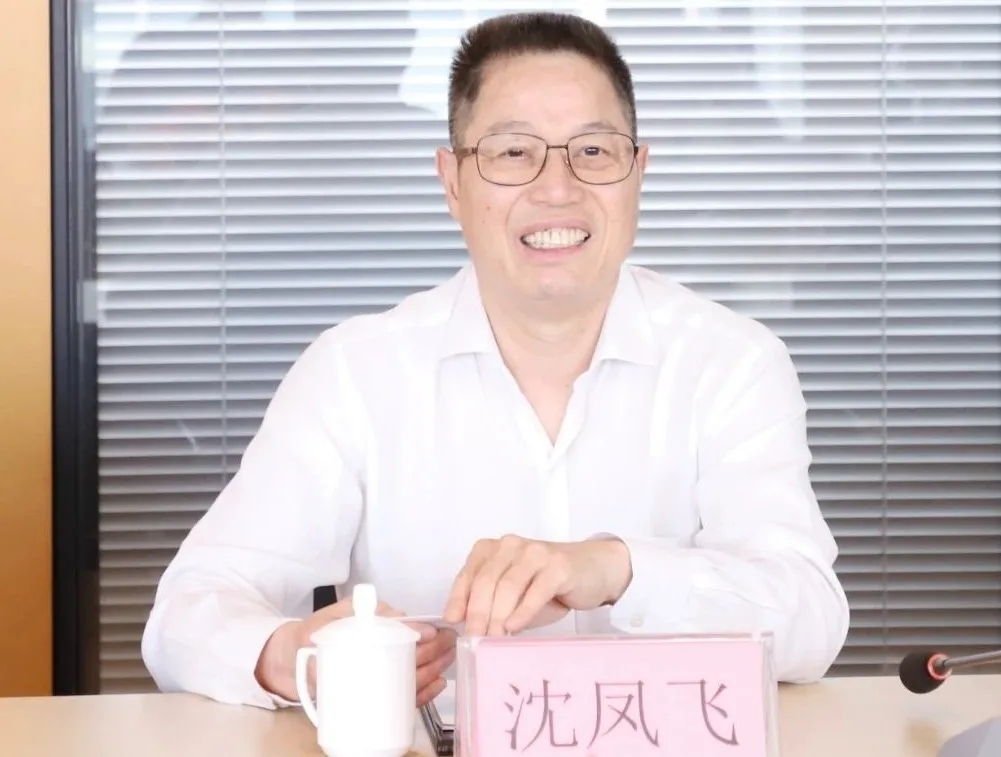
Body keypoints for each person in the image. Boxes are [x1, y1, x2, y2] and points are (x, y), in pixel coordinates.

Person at [141, 10, 850, 710]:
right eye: (513, 153)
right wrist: (291, 656)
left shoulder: (731, 362)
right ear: (453, 183)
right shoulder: (354, 373)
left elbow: (810, 617)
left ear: (638, 172)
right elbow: (186, 613)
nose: (557, 188)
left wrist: (617, 567)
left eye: (593, 151)